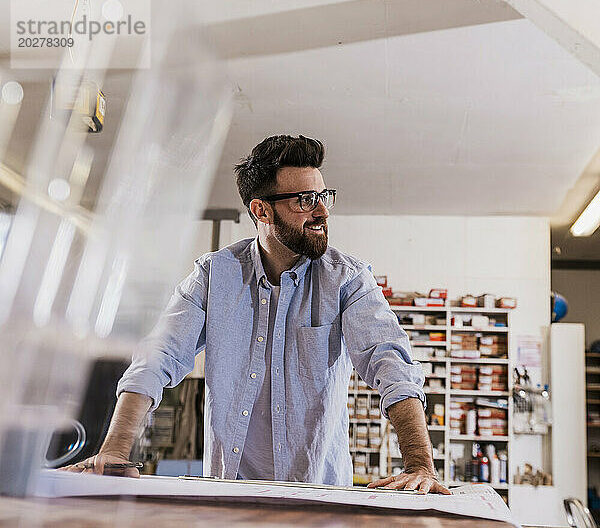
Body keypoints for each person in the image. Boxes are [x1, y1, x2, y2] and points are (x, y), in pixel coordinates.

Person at [64, 135, 450, 494]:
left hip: (318, 499)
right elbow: (158, 356)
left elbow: (390, 362)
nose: (321, 212)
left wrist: (419, 463)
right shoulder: (214, 275)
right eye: (305, 200)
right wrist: (115, 449)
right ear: (261, 210)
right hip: (230, 496)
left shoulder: (347, 280)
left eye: (323, 196)